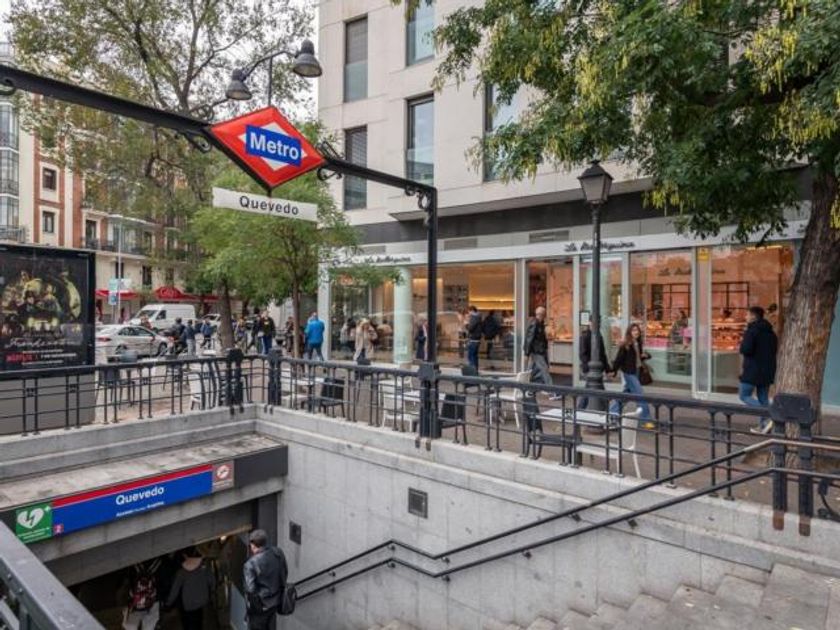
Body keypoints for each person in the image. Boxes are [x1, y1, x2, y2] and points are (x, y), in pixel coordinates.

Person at [739, 306, 778, 434]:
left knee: (744, 395)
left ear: (753, 316)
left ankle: (769, 415)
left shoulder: (752, 331)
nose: (745, 317)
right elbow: (774, 350)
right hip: (767, 369)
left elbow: (746, 349)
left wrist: (742, 343)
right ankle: (763, 426)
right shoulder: (771, 333)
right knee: (763, 398)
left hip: (752, 369)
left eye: (747, 314)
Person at [608, 323, 653, 427]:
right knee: (640, 395)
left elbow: (638, 358)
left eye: (637, 330)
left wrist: (646, 356)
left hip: (636, 371)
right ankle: (646, 420)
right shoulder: (625, 344)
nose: (636, 332)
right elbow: (619, 359)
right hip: (629, 373)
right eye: (633, 330)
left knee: (626, 394)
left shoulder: (638, 343)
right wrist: (614, 370)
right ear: (629, 332)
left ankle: (612, 412)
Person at [244, 529, 288, 630]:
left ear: (253, 546)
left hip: (261, 606)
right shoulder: (278, 552)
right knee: (269, 625)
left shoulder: (250, 564)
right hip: (277, 600)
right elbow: (284, 572)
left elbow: (250, 590)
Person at [165, 547, 214, 630]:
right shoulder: (204, 568)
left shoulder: (181, 572)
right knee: (198, 623)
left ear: (185, 556)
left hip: (188, 605)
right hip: (201, 602)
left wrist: (168, 603)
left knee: (188, 625)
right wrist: (211, 590)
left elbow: (175, 590)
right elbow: (212, 581)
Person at [122, 558, 161, 630]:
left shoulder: (133, 565)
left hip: (137, 605)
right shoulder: (159, 563)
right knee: (147, 625)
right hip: (151, 601)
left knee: (133, 625)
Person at [578, 320, 607, 409]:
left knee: (589, 389)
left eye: (598, 323)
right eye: (594, 322)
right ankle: (607, 409)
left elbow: (602, 353)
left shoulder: (599, 336)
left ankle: (580, 409)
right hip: (590, 368)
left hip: (597, 368)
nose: (597, 324)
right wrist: (588, 367)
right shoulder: (585, 336)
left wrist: (607, 368)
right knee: (594, 389)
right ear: (590, 323)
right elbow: (583, 354)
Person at [523, 306, 552, 385]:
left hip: (538, 350)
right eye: (541, 314)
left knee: (531, 370)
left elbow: (541, 338)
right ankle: (551, 388)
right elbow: (529, 339)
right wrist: (526, 353)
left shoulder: (540, 324)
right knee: (544, 368)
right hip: (536, 351)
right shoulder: (534, 324)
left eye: (543, 315)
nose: (542, 316)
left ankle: (526, 384)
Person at [466, 306, 482, 370]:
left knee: (471, 355)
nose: (468, 313)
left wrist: (466, 324)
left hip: (473, 339)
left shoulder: (474, 317)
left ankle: (472, 370)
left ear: (472, 310)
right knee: (474, 355)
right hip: (477, 339)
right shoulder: (478, 317)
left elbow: (470, 328)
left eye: (469, 311)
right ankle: (475, 369)